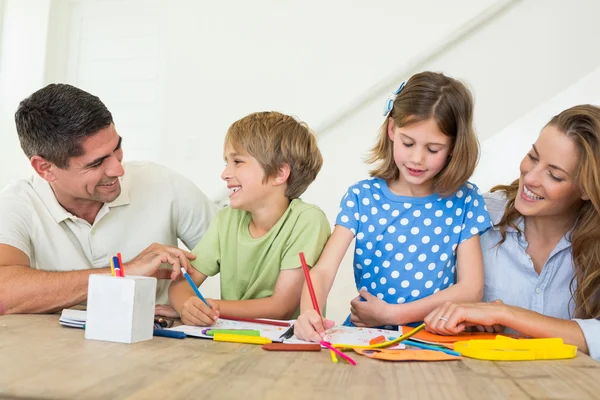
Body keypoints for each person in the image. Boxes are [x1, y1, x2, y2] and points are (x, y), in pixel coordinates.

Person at [294, 71, 492, 342]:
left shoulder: (465, 201)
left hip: (433, 339)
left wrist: (394, 314)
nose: (417, 158)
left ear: (454, 147)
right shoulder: (362, 198)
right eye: (408, 143)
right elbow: (324, 270)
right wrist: (308, 313)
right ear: (391, 130)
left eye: (433, 149)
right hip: (367, 335)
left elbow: (470, 289)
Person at [0, 84, 216, 314]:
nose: (118, 169)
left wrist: (183, 299)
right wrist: (123, 273)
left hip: (159, 341)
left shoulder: (163, 183)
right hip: (54, 347)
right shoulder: (17, 204)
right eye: (96, 163)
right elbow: (4, 291)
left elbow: (240, 253)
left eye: (117, 148)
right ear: (45, 168)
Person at [424, 105, 600, 361]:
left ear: (586, 189)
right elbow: (426, 297)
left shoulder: (593, 244)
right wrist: (458, 319)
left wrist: (506, 314)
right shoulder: (475, 218)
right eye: (533, 156)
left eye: (554, 175)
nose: (530, 178)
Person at [168, 111, 331, 326]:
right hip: (233, 340)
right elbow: (182, 283)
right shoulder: (226, 220)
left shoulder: (308, 221)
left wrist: (206, 306)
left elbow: (281, 307)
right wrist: (186, 306)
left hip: (286, 347)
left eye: (238, 161)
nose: (225, 173)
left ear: (279, 174)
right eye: (226, 162)